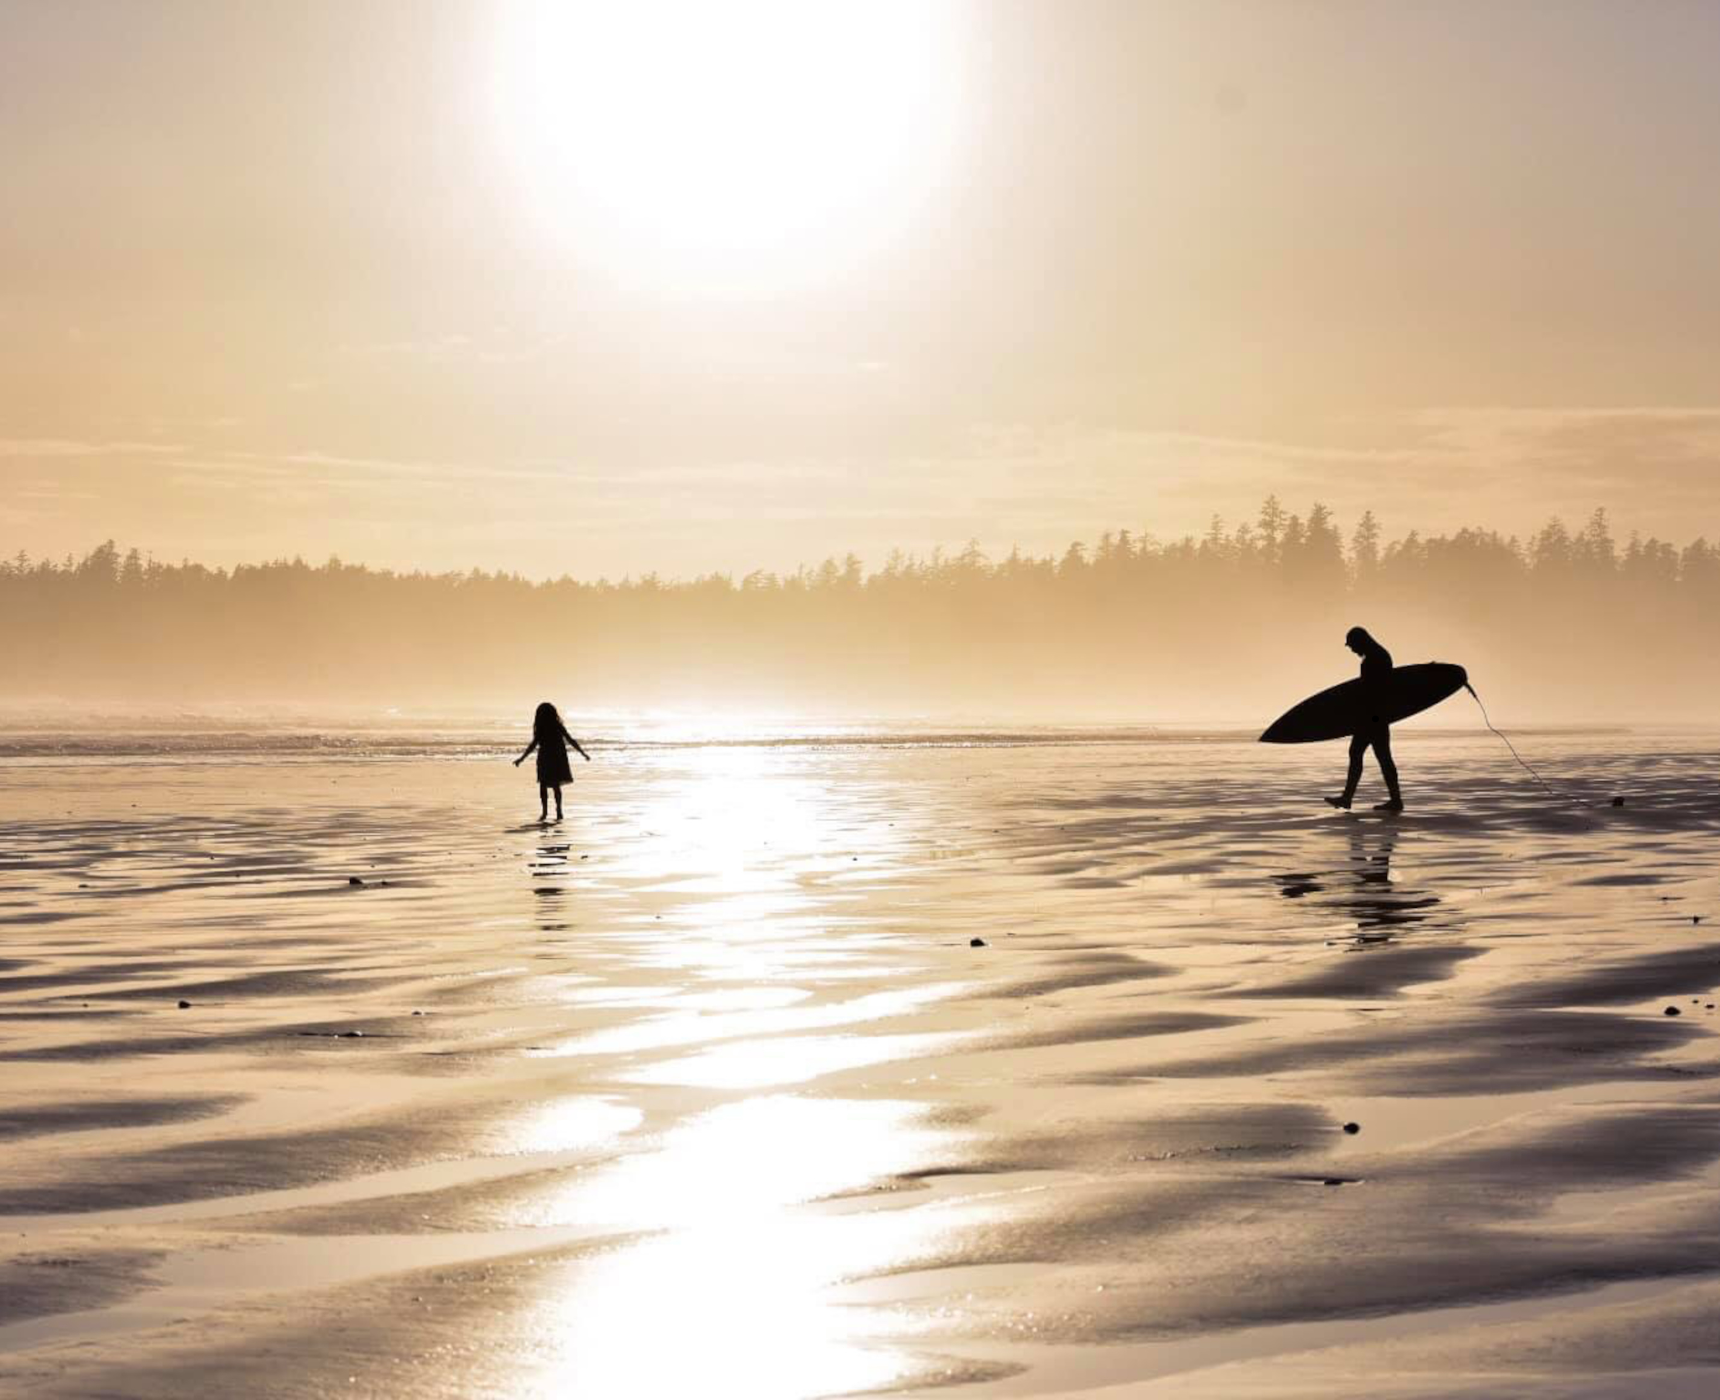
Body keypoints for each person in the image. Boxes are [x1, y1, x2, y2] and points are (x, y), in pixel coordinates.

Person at [1326, 626, 1404, 813]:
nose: (1352, 650)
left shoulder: (1373, 659)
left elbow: (1370, 692)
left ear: (1361, 642)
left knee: (1362, 753)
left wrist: (1357, 716)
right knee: (1381, 757)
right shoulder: (1380, 655)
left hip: (1372, 717)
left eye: (1352, 645)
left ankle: (1348, 798)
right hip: (1378, 715)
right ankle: (1395, 800)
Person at [514, 702, 590, 820]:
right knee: (555, 785)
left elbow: (533, 746)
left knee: (543, 785)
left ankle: (545, 812)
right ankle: (558, 810)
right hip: (557, 758)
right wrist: (582, 753)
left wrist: (521, 759)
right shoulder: (557, 726)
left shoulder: (542, 728)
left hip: (545, 758)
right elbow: (571, 740)